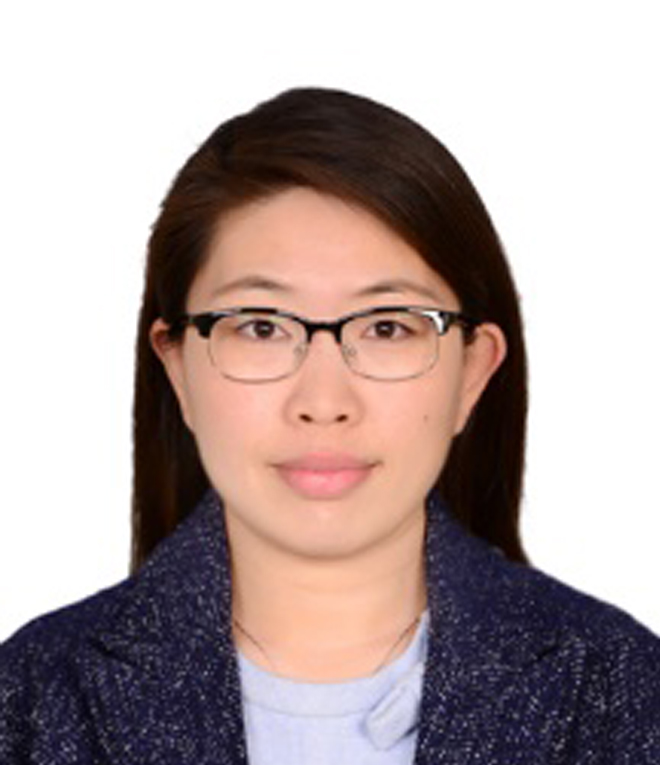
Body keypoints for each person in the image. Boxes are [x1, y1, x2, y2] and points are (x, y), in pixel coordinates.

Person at [1, 87, 658, 764]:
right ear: (177, 368)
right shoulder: (30, 700)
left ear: (472, 372)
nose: (323, 401)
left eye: (387, 327)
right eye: (260, 326)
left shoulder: (623, 693)